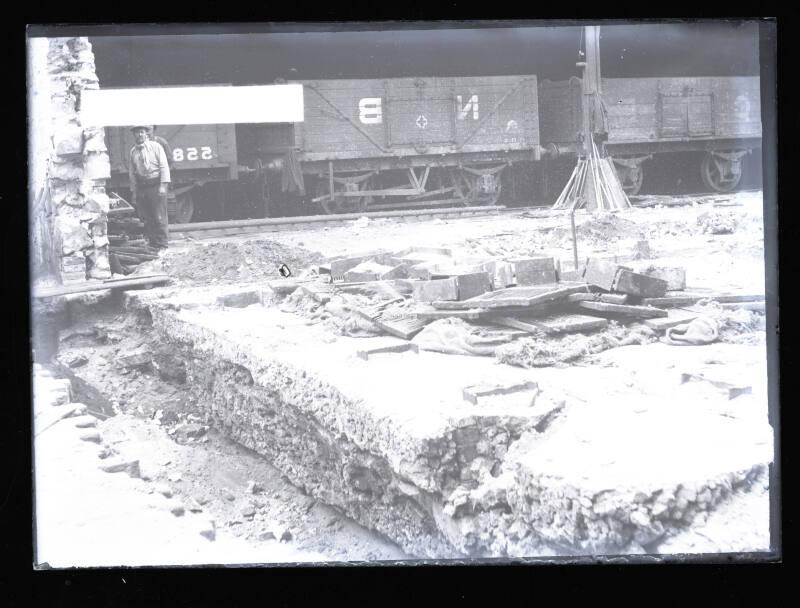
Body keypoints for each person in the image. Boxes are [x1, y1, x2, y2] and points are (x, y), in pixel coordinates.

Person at [128, 125, 171, 250]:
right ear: (134, 135)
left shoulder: (156, 147)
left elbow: (164, 166)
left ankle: (163, 245)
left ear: (146, 134)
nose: (139, 135)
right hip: (142, 187)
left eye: (142, 132)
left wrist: (163, 186)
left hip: (156, 185)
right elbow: (132, 173)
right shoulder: (133, 151)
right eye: (137, 133)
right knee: (147, 218)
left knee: (159, 217)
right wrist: (134, 191)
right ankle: (153, 245)